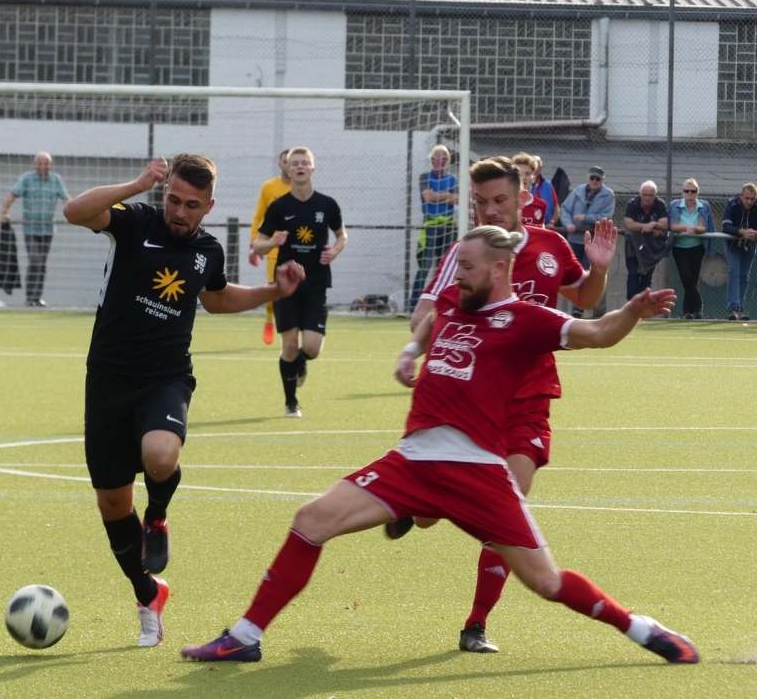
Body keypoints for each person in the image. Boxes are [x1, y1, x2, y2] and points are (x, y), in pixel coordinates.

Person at [181, 221, 697, 666]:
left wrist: (632, 310)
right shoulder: (453, 303)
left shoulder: (525, 319)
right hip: (413, 462)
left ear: (498, 269)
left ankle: (640, 628)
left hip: (477, 472)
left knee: (547, 582)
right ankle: (244, 637)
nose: (457, 274)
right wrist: (410, 350)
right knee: (311, 520)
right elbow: (430, 321)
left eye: (467, 266)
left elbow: (599, 331)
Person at [62, 154, 304, 648]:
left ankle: (158, 514)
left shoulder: (208, 251)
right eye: (173, 199)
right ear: (165, 192)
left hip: (165, 379)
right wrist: (136, 184)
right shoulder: (135, 221)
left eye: (192, 205)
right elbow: (74, 211)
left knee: (160, 454)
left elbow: (217, 299)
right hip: (107, 381)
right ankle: (148, 594)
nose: (179, 211)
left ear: (208, 207)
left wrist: (273, 292)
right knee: (112, 503)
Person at [397, 155, 616, 654]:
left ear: (523, 198)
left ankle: (475, 624)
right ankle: (413, 506)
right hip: (467, 401)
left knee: (508, 507)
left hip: (528, 398)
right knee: (429, 516)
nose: (491, 210)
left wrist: (600, 269)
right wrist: (417, 345)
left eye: (500, 200)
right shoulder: (467, 253)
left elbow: (585, 298)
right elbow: (425, 315)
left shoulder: (551, 245)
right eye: (481, 203)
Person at [253, 147, 347, 418]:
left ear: (313, 169)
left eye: (305, 163)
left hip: (317, 283)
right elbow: (258, 245)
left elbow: (342, 236)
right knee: (290, 345)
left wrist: (335, 250)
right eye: (295, 163)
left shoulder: (327, 205)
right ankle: (291, 402)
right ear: (287, 169)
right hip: (286, 286)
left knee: (313, 348)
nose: (300, 166)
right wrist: (274, 241)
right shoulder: (279, 206)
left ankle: (300, 364)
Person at [0, 152, 71, 307]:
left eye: (46, 164)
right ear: (34, 164)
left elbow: (66, 199)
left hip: (48, 230)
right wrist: (4, 212)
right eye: (39, 163)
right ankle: (30, 297)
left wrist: (77, 212)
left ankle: (37, 298)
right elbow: (12, 195)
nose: (43, 167)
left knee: (42, 264)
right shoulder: (26, 179)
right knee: (35, 260)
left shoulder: (56, 180)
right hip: (30, 229)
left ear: (51, 165)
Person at [248, 149, 292, 345]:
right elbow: (259, 215)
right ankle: (269, 320)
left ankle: (292, 328)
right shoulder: (269, 187)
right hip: (273, 247)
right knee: (275, 289)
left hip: (298, 248)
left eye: (293, 162)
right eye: (286, 161)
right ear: (280, 164)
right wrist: (253, 243)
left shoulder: (302, 189)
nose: (289, 165)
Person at [561, 165, 616, 316]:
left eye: (598, 179)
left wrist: (586, 218)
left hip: (593, 240)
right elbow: (565, 209)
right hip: (574, 239)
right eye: (592, 178)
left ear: (603, 180)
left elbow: (606, 216)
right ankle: (577, 308)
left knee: (590, 273)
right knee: (574, 273)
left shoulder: (608, 195)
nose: (594, 181)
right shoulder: (578, 191)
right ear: (588, 178)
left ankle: (592, 310)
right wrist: (568, 223)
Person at [411, 144, 459, 303]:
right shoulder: (425, 177)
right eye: (438, 157)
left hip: (448, 226)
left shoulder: (452, 179)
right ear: (432, 159)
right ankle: (413, 304)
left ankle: (440, 303)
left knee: (444, 267)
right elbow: (428, 197)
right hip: (431, 226)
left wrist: (438, 196)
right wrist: (447, 195)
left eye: (444, 158)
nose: (440, 161)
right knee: (424, 267)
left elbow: (457, 199)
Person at [669, 179, 716, 319]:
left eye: (693, 191)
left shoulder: (703, 206)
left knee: (693, 278)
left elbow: (703, 227)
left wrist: (695, 228)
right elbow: (673, 226)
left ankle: (688, 311)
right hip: (680, 246)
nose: (689, 193)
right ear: (682, 192)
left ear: (697, 193)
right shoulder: (675, 205)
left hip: (697, 246)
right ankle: (698, 306)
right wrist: (686, 228)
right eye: (687, 191)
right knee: (686, 276)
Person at [623, 181, 670, 301]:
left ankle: (644, 305)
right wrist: (649, 227)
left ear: (655, 195)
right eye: (645, 195)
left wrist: (653, 224)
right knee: (633, 275)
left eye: (650, 195)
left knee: (647, 277)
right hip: (633, 246)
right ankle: (632, 304)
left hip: (650, 248)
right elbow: (629, 224)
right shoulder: (632, 204)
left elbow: (664, 224)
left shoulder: (660, 204)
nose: (647, 198)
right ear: (640, 194)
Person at [721, 183, 757, 321]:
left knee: (744, 276)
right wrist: (742, 232)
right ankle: (733, 309)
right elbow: (725, 226)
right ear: (741, 196)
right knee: (734, 271)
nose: (749, 202)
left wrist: (754, 233)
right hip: (732, 245)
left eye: (752, 199)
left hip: (750, 245)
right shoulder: (732, 204)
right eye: (747, 198)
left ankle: (740, 309)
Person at [513, 152, 548, 227]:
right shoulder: (507, 203)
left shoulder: (541, 205)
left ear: (534, 178)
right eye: (520, 174)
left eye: (527, 174)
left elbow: (540, 228)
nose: (523, 177)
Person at [531, 155, 559, 227]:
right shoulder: (524, 184)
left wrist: (552, 222)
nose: (537, 168)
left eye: (539, 165)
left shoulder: (548, 184)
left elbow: (556, 208)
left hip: (546, 226)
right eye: (535, 165)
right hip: (530, 225)